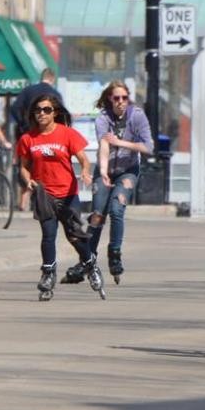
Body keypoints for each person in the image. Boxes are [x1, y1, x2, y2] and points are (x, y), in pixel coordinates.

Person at [64, 81, 153, 285]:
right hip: (106, 170)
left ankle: (114, 253)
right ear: (109, 99)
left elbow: (148, 147)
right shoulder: (103, 119)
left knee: (116, 209)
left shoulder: (137, 115)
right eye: (116, 98)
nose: (121, 102)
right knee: (96, 216)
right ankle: (86, 260)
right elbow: (104, 145)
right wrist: (103, 172)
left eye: (124, 98)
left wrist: (120, 142)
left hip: (128, 171)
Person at [16, 93, 102, 301]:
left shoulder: (67, 134)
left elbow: (84, 158)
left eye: (46, 110)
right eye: (38, 110)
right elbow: (24, 168)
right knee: (48, 235)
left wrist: (85, 171)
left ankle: (90, 264)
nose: (42, 114)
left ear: (54, 112)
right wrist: (27, 181)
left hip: (68, 193)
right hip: (44, 194)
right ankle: (48, 275)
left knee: (74, 235)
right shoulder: (28, 139)